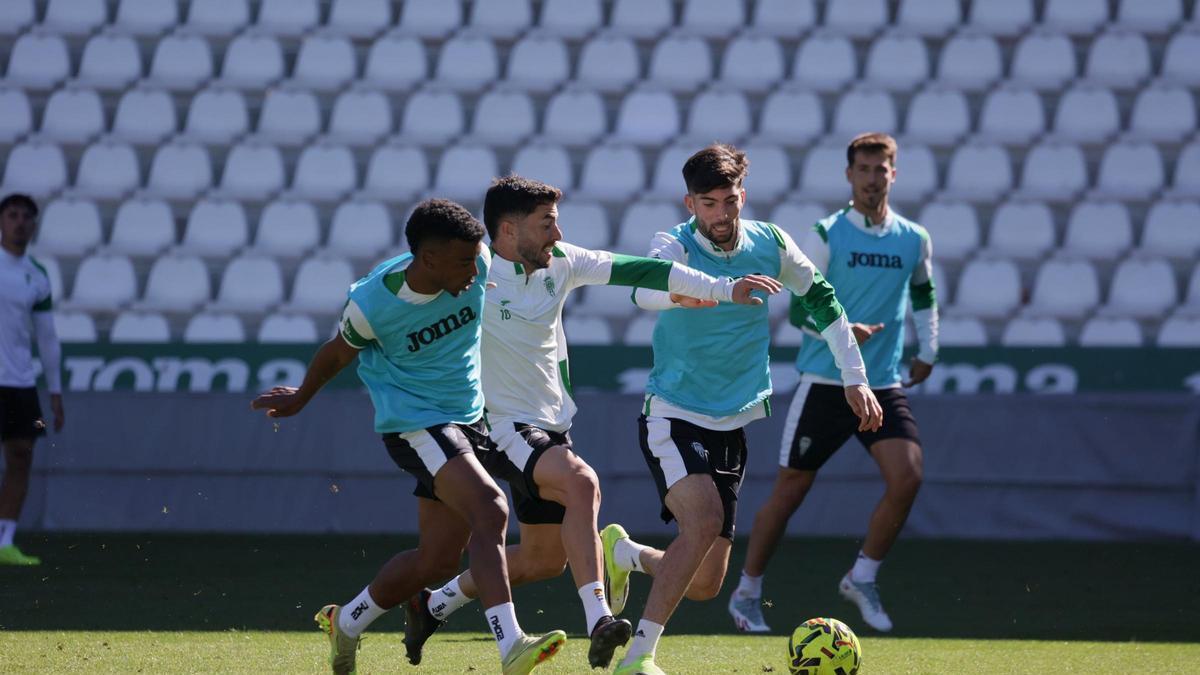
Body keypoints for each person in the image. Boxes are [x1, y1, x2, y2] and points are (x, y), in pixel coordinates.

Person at [402, 175, 782, 670]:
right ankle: (600, 619)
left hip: (551, 422)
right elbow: (397, 296)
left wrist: (726, 288)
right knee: (582, 483)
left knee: (542, 560)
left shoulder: (561, 262)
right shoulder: (470, 273)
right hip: (502, 426)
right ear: (509, 230)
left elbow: (645, 271)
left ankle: (431, 604)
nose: (558, 234)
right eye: (548, 223)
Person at [601, 144, 883, 675]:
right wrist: (684, 295)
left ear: (742, 197)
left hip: (734, 420)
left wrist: (855, 378)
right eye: (708, 204)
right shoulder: (674, 245)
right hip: (674, 411)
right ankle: (638, 658)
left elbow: (822, 298)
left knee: (706, 583)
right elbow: (642, 292)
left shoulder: (769, 241)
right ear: (691, 204)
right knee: (703, 521)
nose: (721, 214)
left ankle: (626, 555)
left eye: (729, 201)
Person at [251, 199, 565, 675]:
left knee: (437, 562)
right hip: (415, 422)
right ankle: (511, 644)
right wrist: (300, 397)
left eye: (475, 257)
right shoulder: (373, 304)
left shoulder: (476, 260)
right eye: (463, 261)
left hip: (468, 419)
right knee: (491, 508)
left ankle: (348, 621)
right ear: (428, 259)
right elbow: (338, 354)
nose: (475, 269)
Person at [730, 132, 938, 634]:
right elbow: (800, 308)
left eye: (880, 169)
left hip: (882, 382)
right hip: (827, 380)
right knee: (791, 490)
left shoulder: (914, 238)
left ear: (894, 173)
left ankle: (862, 576)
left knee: (907, 476)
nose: (872, 178)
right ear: (849, 175)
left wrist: (928, 348)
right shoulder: (826, 234)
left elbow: (924, 293)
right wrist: (845, 331)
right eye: (863, 169)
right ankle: (747, 593)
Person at [0, 193, 63, 566]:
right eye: (12, 215)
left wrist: (55, 391)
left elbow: (47, 337)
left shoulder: (37, 276)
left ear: (34, 225)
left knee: (21, 457)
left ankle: (4, 542)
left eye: (26, 216)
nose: (19, 222)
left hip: (20, 384)